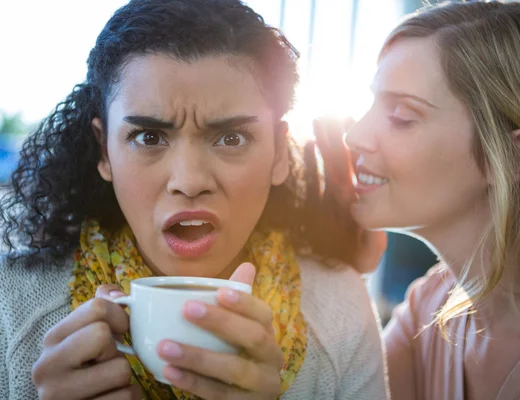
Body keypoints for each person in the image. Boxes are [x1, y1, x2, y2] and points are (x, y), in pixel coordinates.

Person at [0, 1, 389, 399]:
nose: (189, 182)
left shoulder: (340, 312)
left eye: (231, 138)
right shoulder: (10, 305)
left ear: (276, 154)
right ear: (103, 151)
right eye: (148, 137)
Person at [316, 1, 520, 399]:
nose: (356, 136)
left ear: (515, 155)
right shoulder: (425, 312)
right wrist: (334, 272)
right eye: (372, 105)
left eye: (400, 116)